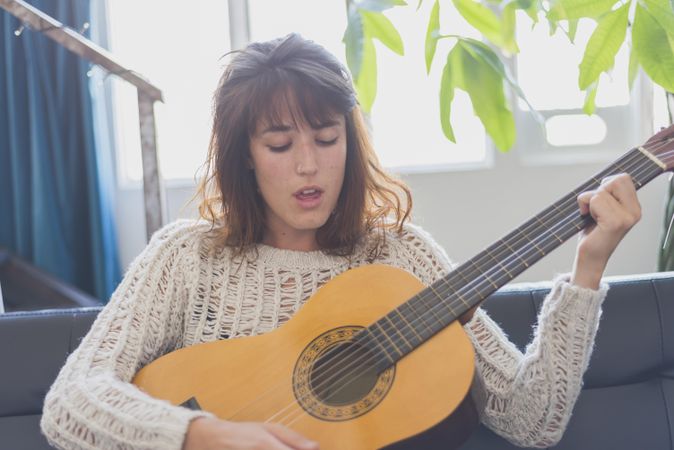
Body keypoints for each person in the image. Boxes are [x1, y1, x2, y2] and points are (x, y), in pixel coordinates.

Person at [40, 33, 641, 450]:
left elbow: (532, 423)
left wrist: (588, 267)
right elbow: (73, 400)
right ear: (244, 157)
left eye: (327, 139)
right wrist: (200, 434)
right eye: (279, 145)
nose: (308, 166)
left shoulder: (401, 256)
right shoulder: (187, 258)